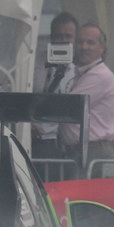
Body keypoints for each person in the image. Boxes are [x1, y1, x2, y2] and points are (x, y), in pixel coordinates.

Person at [56, 23, 114, 163]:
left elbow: (67, 107)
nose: (84, 47)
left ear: (102, 48)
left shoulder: (99, 75)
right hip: (81, 151)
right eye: (80, 42)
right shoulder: (81, 73)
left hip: (94, 152)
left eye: (90, 43)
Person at [31, 12, 78, 160]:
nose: (62, 41)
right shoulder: (34, 63)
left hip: (58, 141)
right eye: (58, 36)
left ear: (75, 40)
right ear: (51, 37)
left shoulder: (78, 71)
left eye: (68, 37)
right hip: (32, 137)